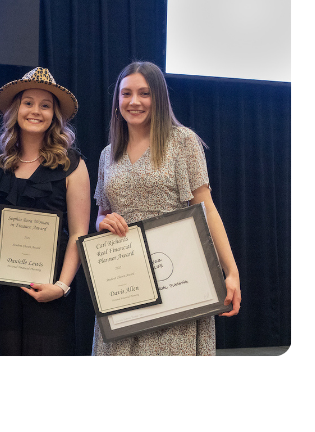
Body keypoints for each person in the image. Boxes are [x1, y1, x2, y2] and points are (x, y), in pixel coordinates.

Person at [93, 61, 241, 357]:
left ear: (159, 98)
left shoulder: (183, 141)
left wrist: (231, 272)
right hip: (125, 280)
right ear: (117, 100)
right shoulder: (108, 154)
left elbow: (207, 208)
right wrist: (102, 224)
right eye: (126, 94)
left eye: (144, 93)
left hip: (176, 279)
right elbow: (101, 214)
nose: (134, 101)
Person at [0, 68, 90, 355]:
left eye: (45, 105)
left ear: (54, 115)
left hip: (51, 287)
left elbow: (79, 233)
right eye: (28, 102)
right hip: (7, 287)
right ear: (16, 110)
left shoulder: (72, 165)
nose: (35, 111)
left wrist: (62, 286)